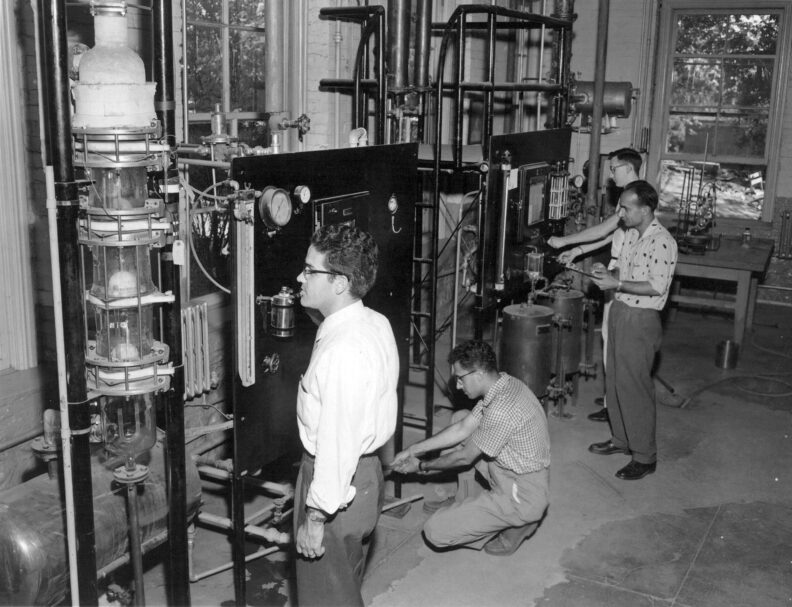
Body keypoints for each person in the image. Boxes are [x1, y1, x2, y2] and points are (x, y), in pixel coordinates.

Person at [293, 224, 398, 606]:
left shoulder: (342, 353)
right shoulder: (373, 322)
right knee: (343, 589)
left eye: (309, 270)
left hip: (336, 485)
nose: (300, 276)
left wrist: (316, 518)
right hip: (364, 479)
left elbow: (337, 442)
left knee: (325, 597)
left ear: (339, 282)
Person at [391, 340, 550, 556]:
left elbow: (464, 458)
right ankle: (465, 501)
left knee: (435, 531)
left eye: (460, 378)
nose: (457, 385)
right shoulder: (503, 383)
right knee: (461, 416)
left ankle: (520, 523)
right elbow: (462, 428)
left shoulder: (502, 409)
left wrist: (420, 466)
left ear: (480, 373)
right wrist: (413, 450)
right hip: (509, 469)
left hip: (522, 493)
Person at [589, 180, 677, 480]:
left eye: (625, 207)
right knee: (614, 380)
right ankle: (621, 440)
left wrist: (618, 284)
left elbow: (656, 285)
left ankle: (644, 456)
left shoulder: (661, 241)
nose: (620, 212)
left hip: (641, 318)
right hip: (620, 310)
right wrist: (608, 274)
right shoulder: (628, 235)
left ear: (645, 209)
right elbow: (623, 273)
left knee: (635, 386)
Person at [547, 148, 642, 423]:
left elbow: (603, 229)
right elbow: (612, 234)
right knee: (609, 342)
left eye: (613, 169)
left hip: (627, 278)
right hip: (618, 273)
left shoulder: (634, 197)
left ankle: (618, 410)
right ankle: (614, 399)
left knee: (619, 347)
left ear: (628, 168)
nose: (610, 175)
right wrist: (577, 252)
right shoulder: (628, 196)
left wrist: (564, 241)